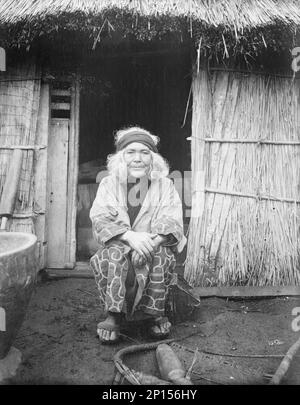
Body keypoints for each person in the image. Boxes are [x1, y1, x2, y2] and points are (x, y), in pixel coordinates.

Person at [89, 126, 186, 343]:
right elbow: (100, 218)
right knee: (114, 251)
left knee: (161, 253)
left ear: (153, 159)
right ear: (121, 158)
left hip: (152, 246)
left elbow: (172, 221)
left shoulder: (165, 185)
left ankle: (154, 315)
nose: (138, 158)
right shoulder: (108, 184)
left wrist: (150, 243)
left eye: (144, 153)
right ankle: (114, 315)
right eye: (131, 152)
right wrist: (131, 238)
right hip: (121, 244)